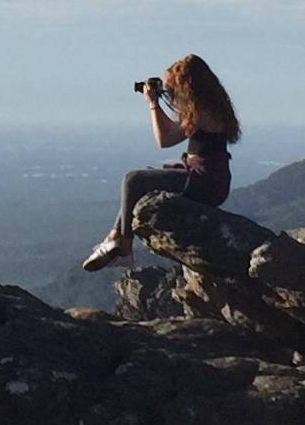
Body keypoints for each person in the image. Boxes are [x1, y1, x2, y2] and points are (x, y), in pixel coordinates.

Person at [82, 54, 240, 271]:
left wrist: (153, 105)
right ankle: (115, 237)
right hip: (211, 180)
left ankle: (124, 248)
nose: (173, 92)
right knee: (144, 178)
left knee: (134, 179)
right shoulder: (210, 107)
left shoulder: (202, 111)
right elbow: (175, 130)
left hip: (205, 181)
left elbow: (164, 140)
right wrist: (158, 103)